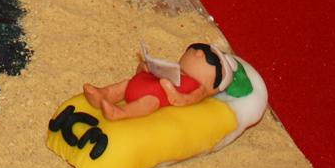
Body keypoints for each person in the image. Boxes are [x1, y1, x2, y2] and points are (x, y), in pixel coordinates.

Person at [82, 42, 235, 122]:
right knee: (125, 84)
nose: (199, 53)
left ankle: (120, 112)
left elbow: (181, 100)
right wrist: (145, 68)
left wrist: (168, 88)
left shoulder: (199, 89)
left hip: (153, 97)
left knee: (148, 104)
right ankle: (102, 95)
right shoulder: (174, 70)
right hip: (142, 83)